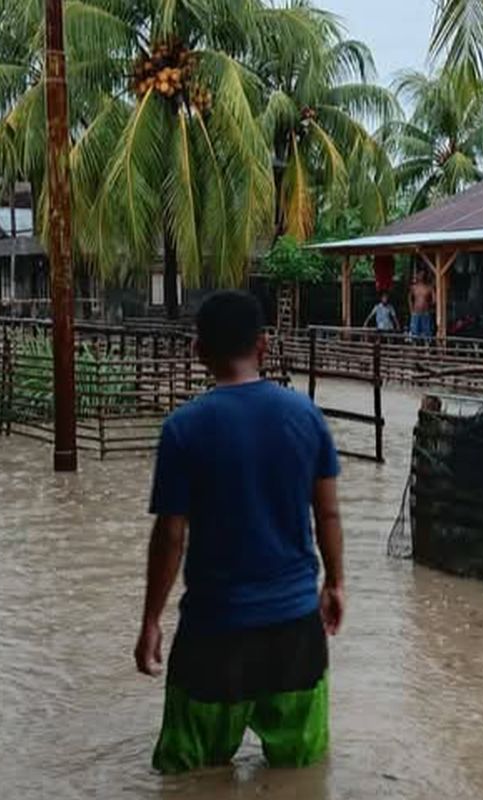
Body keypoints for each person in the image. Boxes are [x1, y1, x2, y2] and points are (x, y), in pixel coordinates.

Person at [135, 290, 345, 774]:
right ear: (264, 346)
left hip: (214, 632)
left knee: (186, 773)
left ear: (198, 351)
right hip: (295, 631)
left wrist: (151, 620)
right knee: (300, 773)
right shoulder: (307, 417)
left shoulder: (183, 429)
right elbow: (328, 516)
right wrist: (334, 583)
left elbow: (170, 536)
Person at [409, 270, 436, 340]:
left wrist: (429, 306)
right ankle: (415, 348)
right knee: (414, 332)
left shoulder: (429, 287)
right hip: (415, 312)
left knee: (427, 332)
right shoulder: (414, 287)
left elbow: (434, 299)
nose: (421, 276)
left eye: (423, 275)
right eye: (420, 275)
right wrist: (411, 309)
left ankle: (427, 348)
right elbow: (409, 297)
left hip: (425, 312)